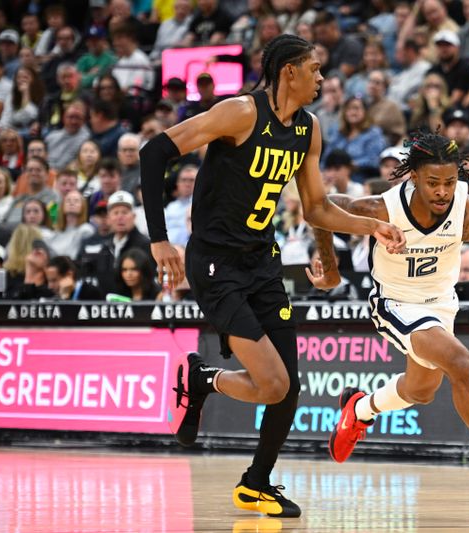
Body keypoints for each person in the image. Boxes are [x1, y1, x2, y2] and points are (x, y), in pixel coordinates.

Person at [139, 34, 405, 518]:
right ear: (289, 72)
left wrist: (373, 228)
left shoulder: (309, 130)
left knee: (290, 388)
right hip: (215, 264)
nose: (322, 78)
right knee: (274, 384)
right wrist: (159, 239)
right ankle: (206, 379)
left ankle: (255, 482)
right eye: (315, 69)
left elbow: (318, 207)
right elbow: (153, 153)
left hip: (262, 261)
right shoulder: (240, 112)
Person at [310, 130, 469, 506]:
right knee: (461, 363)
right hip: (395, 302)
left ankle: (359, 408)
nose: (442, 191)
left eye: (450, 182)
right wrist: (331, 270)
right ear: (413, 177)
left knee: (421, 391)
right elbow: (321, 207)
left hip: (440, 306)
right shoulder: (383, 208)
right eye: (433, 182)